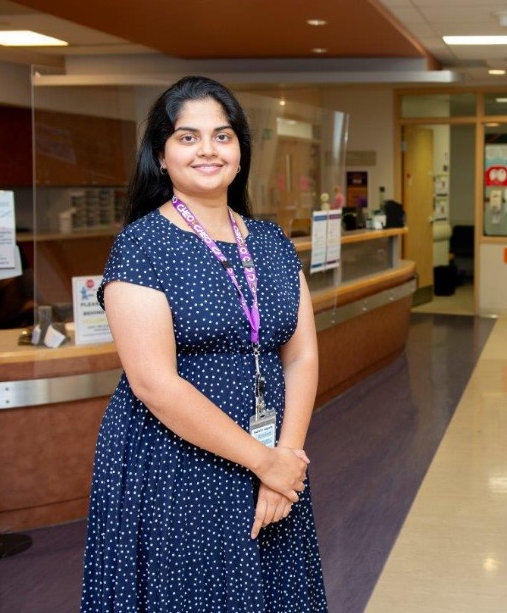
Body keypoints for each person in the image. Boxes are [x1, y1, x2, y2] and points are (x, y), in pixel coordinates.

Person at [81, 76, 327, 611]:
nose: (208, 150)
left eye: (222, 135)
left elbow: (302, 353)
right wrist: (264, 462)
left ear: (240, 151)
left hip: (274, 456)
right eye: (187, 137)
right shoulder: (142, 246)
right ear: (162, 156)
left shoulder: (271, 241)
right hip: (177, 463)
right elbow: (153, 383)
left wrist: (285, 456)